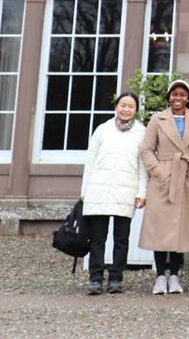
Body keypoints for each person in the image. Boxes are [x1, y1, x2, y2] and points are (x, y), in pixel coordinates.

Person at [140, 79, 189, 295]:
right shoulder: (157, 119)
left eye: (182, 94)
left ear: (188, 98)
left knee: (181, 229)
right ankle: (160, 275)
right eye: (174, 94)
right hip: (163, 178)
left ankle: (175, 275)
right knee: (160, 227)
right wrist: (158, 171)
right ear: (169, 97)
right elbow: (146, 149)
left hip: (186, 178)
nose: (178, 98)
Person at [80, 92, 147, 295]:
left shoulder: (142, 132)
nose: (126, 109)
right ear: (116, 106)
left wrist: (142, 192)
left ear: (136, 110)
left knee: (121, 239)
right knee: (97, 238)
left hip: (126, 189)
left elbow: (143, 166)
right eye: (123, 105)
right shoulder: (103, 129)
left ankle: (116, 278)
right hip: (99, 188)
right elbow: (90, 161)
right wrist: (84, 190)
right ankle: (95, 278)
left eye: (131, 106)